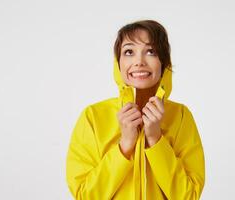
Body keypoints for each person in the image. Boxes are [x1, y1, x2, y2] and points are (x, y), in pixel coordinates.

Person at [66, 19, 205, 200]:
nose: (139, 62)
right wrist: (125, 145)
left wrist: (155, 139)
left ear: (164, 63)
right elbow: (85, 196)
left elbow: (188, 196)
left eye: (151, 51)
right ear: (118, 62)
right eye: (129, 52)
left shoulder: (181, 116)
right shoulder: (92, 116)